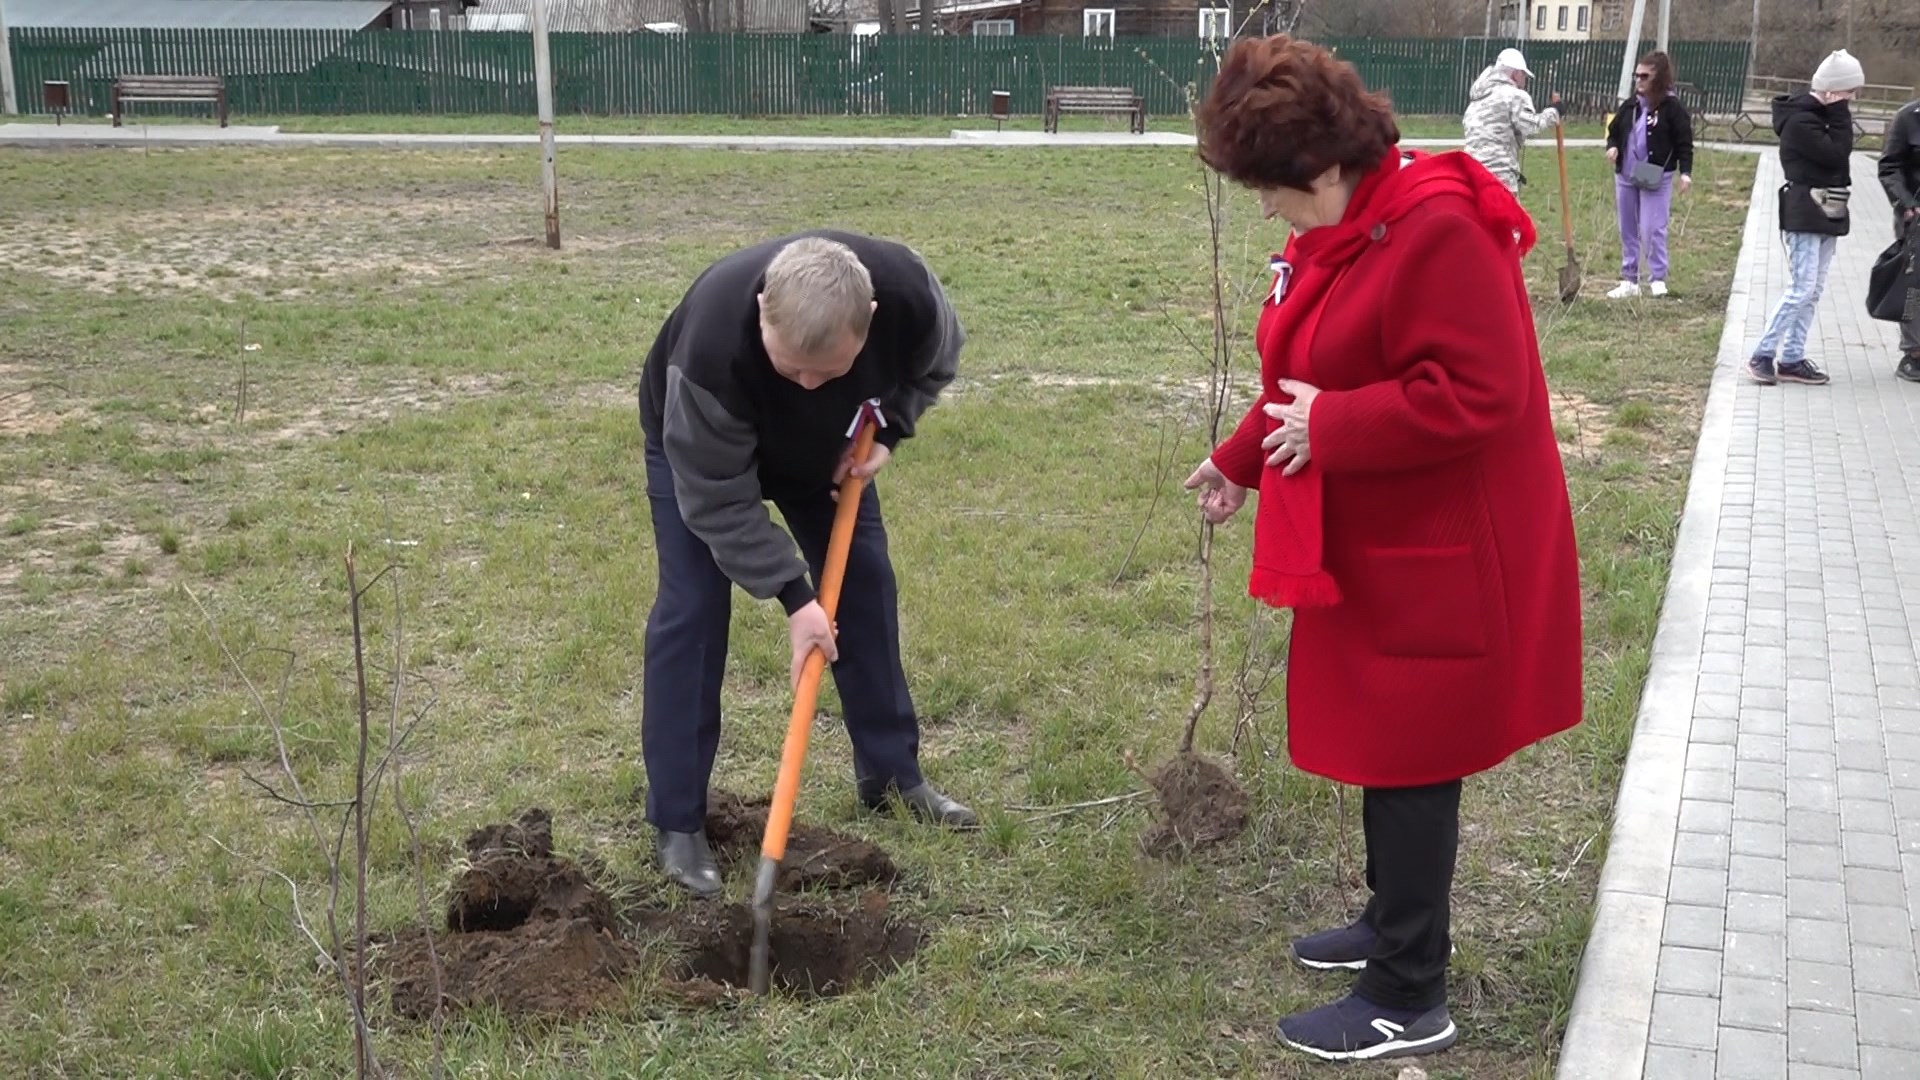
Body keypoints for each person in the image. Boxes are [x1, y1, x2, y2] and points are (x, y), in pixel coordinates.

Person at [1181, 34, 1583, 1062]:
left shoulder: (1436, 230)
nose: (1266, 210)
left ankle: (1411, 990)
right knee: (1381, 743)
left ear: (1320, 166)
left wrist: (1334, 430)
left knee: (1413, 760)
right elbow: (1304, 362)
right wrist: (1242, 459)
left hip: (1446, 549)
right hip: (1380, 539)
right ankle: (1391, 923)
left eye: (1270, 190)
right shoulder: (1350, 222)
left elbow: (1483, 395)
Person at [635, 230, 977, 898]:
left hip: (825, 449)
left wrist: (895, 429)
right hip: (700, 454)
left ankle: (891, 778)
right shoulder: (710, 351)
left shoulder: (907, 295)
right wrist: (797, 599)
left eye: (831, 371)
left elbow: (934, 362)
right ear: (763, 308)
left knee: (864, 586)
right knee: (693, 610)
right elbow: (716, 501)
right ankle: (677, 820)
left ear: (870, 320)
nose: (811, 382)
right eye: (793, 369)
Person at [1749, 50, 1866, 387]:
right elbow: (1835, 153)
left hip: (1829, 208)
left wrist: (1836, 111)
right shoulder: (1801, 121)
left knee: (1813, 290)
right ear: (1831, 91)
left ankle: (1792, 358)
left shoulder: (1823, 115)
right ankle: (1762, 353)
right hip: (1804, 209)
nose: (1851, 101)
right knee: (1800, 288)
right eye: (1847, 93)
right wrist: (1840, 113)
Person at [1605, 51, 1694, 299]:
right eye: (1637, 75)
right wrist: (1612, 146)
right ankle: (1629, 279)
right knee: (1628, 227)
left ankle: (1657, 277)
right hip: (1626, 173)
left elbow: (1684, 143)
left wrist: (1685, 173)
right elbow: (1613, 131)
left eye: (1645, 76)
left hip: (1656, 176)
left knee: (1652, 228)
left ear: (1659, 78)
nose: (1639, 81)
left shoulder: (1672, 108)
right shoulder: (1631, 104)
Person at [1462, 47, 1562, 195]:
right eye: (1523, 75)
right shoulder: (1514, 96)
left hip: (1472, 173)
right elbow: (1532, 127)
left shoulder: (1476, 99)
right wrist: (1555, 111)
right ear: (1515, 74)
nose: (1524, 81)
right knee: (1507, 217)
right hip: (1500, 174)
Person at [1881, 92, 1920, 380]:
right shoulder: (1908, 117)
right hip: (1914, 216)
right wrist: (1906, 204)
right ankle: (1914, 353)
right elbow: (1889, 166)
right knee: (1913, 287)